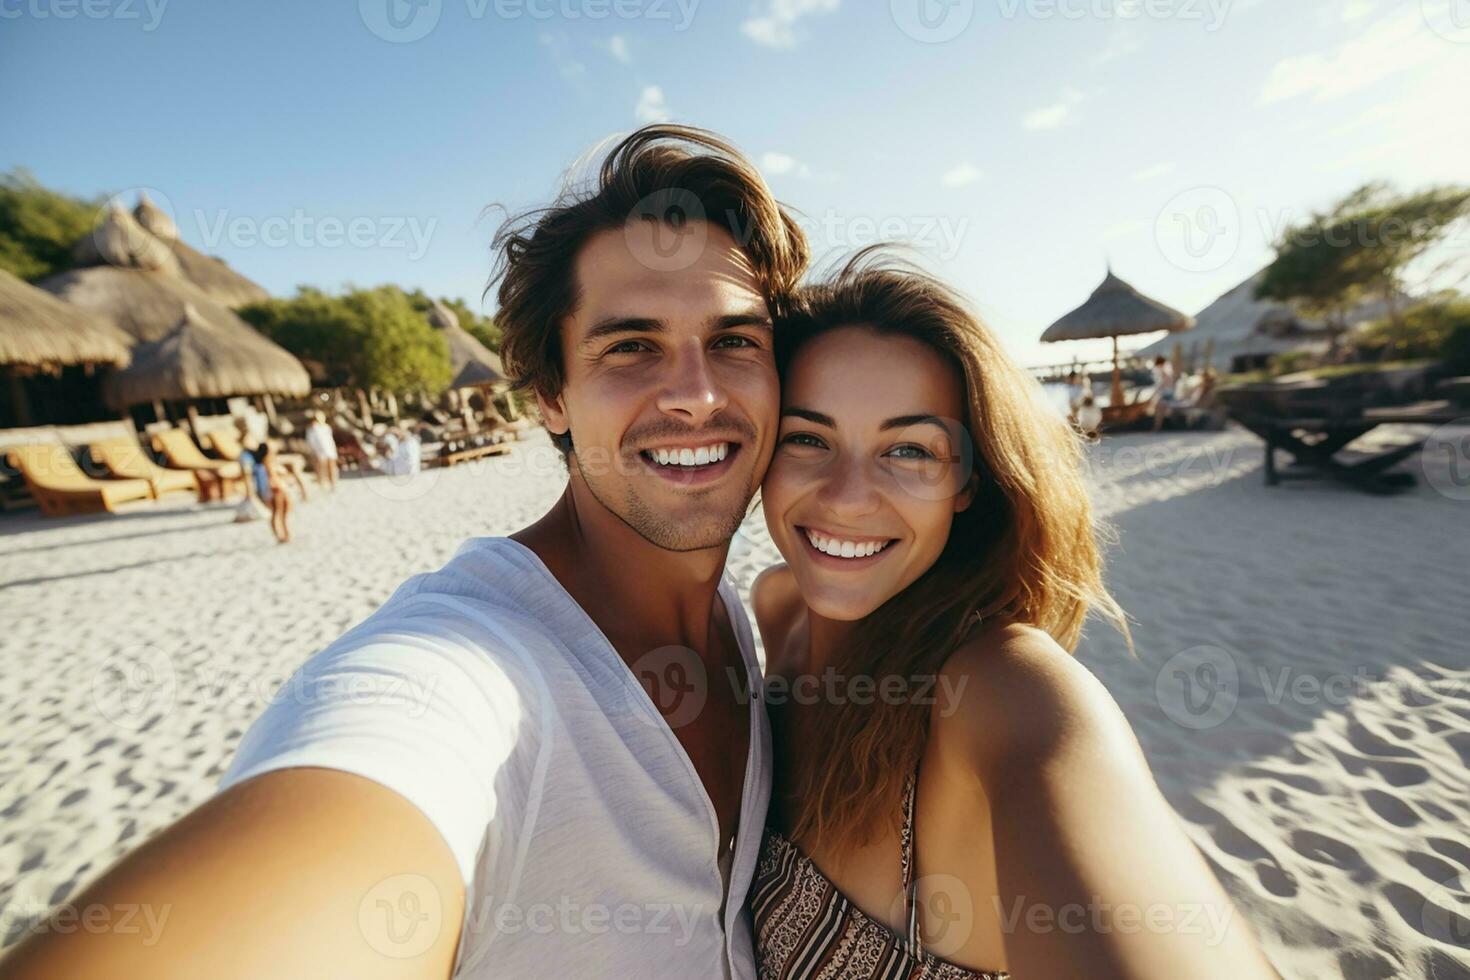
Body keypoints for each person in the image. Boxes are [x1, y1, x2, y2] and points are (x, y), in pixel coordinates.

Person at [0, 124, 809, 979]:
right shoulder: (464, 674)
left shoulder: (739, 623)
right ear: (550, 397)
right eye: (631, 347)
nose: (696, 394)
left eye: (733, 341)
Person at [748, 252, 1278, 978]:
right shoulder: (776, 608)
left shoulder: (1005, 690)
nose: (847, 496)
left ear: (969, 481)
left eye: (909, 449)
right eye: (808, 438)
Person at [255, 439, 293, 543]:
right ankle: (281, 534)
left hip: (278, 488)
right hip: (276, 489)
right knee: (278, 512)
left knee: (282, 512)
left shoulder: (270, 461)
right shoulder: (266, 462)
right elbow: (271, 478)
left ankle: (284, 534)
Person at [304, 410, 340, 490]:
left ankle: (333, 483)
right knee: (321, 468)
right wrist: (314, 452)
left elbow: (330, 439)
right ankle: (322, 484)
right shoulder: (312, 428)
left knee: (332, 467)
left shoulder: (326, 427)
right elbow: (311, 441)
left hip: (329, 449)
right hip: (319, 451)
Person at [1151, 355, 1178, 432]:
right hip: (1167, 393)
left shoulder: (1164, 372)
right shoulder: (1165, 372)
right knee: (1158, 408)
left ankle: (1157, 427)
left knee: (1158, 408)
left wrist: (1155, 393)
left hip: (1167, 394)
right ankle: (1157, 427)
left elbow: (1164, 384)